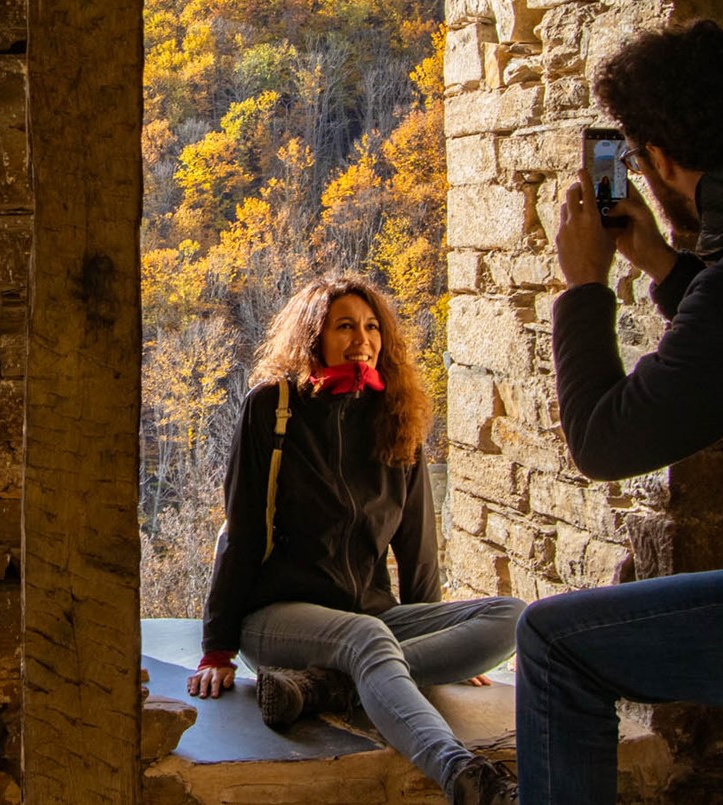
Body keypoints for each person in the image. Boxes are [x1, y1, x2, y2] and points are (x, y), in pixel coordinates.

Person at [513, 20, 723, 803]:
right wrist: (666, 267)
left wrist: (585, 284)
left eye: (633, 159)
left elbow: (605, 439)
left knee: (556, 645)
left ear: (660, 160)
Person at [188, 274, 523, 805]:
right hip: (279, 614)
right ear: (314, 335)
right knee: (368, 641)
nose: (361, 338)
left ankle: (326, 687)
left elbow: (416, 541)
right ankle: (465, 776)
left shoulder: (397, 416)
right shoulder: (272, 409)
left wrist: (446, 650)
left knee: (514, 616)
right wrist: (217, 649)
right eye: (345, 326)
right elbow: (243, 532)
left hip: (371, 612)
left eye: (371, 327)